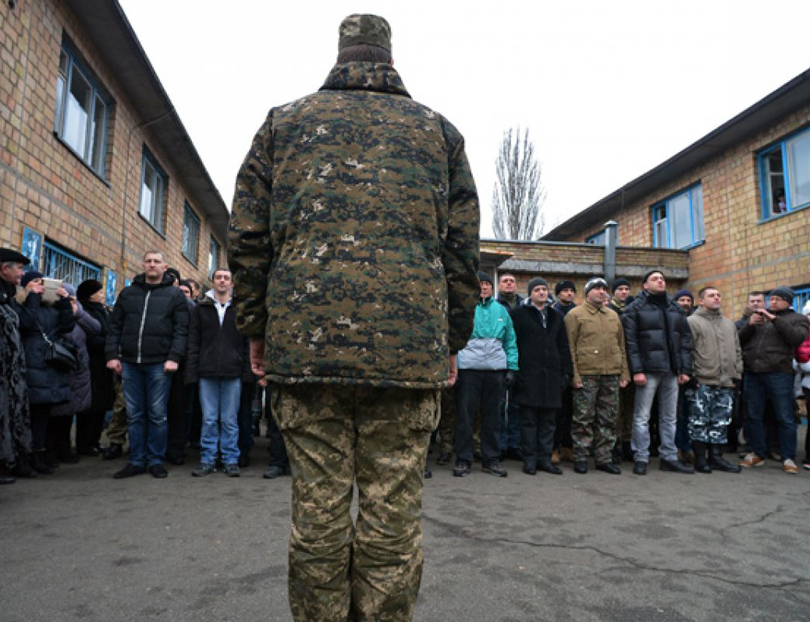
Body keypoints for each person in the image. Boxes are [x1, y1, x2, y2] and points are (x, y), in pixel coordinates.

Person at [227, 14, 479, 622]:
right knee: (392, 519)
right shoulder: (437, 132)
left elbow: (246, 237)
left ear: (339, 57)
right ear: (390, 60)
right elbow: (462, 251)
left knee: (317, 517)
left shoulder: (283, 124)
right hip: (407, 353)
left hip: (305, 351)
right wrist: (451, 338)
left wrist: (257, 328)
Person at [105, 251, 189, 479]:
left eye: (157, 262)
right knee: (134, 414)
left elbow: (181, 330)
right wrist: (112, 355)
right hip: (130, 363)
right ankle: (136, 460)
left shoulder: (175, 295)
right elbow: (115, 326)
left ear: (165, 267)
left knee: (158, 414)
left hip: (160, 364)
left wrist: (174, 357)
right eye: (149, 261)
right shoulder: (128, 293)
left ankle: (155, 460)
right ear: (143, 265)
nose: (152, 265)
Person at [622, 270, 693, 475]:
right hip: (648, 370)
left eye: (662, 278)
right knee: (642, 417)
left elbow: (685, 341)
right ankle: (641, 457)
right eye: (655, 279)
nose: (661, 281)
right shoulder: (635, 308)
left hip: (672, 371)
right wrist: (637, 370)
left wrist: (684, 369)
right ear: (645, 285)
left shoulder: (675, 308)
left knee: (670, 417)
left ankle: (669, 457)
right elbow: (631, 342)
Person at [185, 268, 251, 477]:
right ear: (212, 281)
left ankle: (231, 459)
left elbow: (248, 342)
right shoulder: (200, 309)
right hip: (207, 371)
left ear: (232, 283)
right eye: (218, 277)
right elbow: (193, 342)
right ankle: (208, 459)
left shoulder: (240, 309)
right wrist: (192, 371)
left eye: (226, 278)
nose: (222, 281)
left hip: (233, 372)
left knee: (230, 419)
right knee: (209, 419)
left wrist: (248, 371)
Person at [738, 287, 809, 473]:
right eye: (772, 299)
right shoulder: (757, 317)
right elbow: (739, 341)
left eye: (778, 299)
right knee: (753, 415)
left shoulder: (798, 319)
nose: (773, 302)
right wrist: (749, 325)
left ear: (788, 301)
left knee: (784, 416)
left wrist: (775, 320)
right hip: (753, 372)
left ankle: (788, 457)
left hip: (780, 373)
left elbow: (796, 338)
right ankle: (757, 452)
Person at [454, 272, 518, 478]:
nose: (484, 287)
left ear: (492, 288)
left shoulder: (501, 310)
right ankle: (463, 460)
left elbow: (510, 340)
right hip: (469, 370)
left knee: (493, 418)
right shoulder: (466, 308)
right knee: (465, 417)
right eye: (480, 284)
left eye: (487, 284)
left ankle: (491, 459)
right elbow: (454, 338)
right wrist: (453, 368)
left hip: (494, 371)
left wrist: (511, 368)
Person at [565, 278, 629, 475]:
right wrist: (575, 375)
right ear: (587, 293)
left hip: (611, 373)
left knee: (608, 418)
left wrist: (624, 371)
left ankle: (604, 458)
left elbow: (621, 346)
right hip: (587, 373)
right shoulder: (575, 315)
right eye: (597, 289)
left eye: (604, 289)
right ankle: (581, 456)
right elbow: (570, 346)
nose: (602, 292)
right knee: (583, 418)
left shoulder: (613, 315)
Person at [510, 277, 571, 475]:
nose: (542, 293)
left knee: (548, 422)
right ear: (530, 293)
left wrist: (566, 372)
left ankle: (545, 459)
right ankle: (529, 459)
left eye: (544, 289)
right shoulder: (518, 314)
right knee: (528, 422)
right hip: (528, 376)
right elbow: (513, 343)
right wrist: (514, 370)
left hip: (551, 377)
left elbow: (563, 346)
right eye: (537, 289)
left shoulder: (556, 316)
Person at [17, 271, 74, 474]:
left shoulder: (51, 308)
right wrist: (32, 296)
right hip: (31, 364)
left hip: (49, 366)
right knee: (28, 415)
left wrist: (64, 302)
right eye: (35, 282)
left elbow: (67, 326)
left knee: (42, 415)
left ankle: (38, 454)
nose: (40, 286)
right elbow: (26, 323)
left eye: (43, 283)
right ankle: (23, 457)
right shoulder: (22, 305)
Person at [685, 287, 742, 473]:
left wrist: (737, 374)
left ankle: (717, 457)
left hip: (726, 381)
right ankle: (700, 459)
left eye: (718, 295)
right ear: (700, 301)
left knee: (721, 421)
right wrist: (691, 375)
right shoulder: (692, 322)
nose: (717, 298)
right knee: (699, 421)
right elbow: (687, 350)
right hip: (702, 380)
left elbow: (737, 351)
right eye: (711, 295)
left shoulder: (729, 324)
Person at [49, 284, 98, 463]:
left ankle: (64, 449)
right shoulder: (51, 311)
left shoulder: (79, 313)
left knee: (69, 412)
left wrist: (77, 311)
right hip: (59, 367)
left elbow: (96, 328)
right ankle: (51, 450)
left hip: (78, 369)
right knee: (55, 414)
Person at [0, 249, 36, 483]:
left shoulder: (10, 296)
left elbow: (27, 324)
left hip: (12, 371)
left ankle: (12, 460)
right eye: (19, 268)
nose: (22, 274)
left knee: (13, 415)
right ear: (5, 269)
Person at [76, 279, 116, 456]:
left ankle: (95, 441)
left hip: (104, 365)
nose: (102, 294)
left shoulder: (103, 311)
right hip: (91, 364)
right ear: (89, 294)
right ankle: (84, 443)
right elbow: (90, 338)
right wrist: (108, 344)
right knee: (90, 407)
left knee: (101, 406)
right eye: (98, 291)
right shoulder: (83, 312)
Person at [496, 272, 523, 460]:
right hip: (498, 360)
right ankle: (501, 444)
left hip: (521, 361)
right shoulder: (494, 306)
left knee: (516, 405)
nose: (508, 284)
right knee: (500, 406)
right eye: (505, 281)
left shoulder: (524, 305)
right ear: (499, 286)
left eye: (512, 281)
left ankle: (515, 444)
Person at [608, 277, 635, 462]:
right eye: (620, 289)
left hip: (633, 365)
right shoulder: (609, 311)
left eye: (627, 289)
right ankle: (614, 445)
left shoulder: (634, 310)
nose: (624, 292)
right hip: (613, 365)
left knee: (631, 409)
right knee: (614, 409)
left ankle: (628, 443)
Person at [552, 280, 577, 464]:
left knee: (572, 411)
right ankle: (554, 448)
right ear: (558, 294)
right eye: (565, 291)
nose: (569, 294)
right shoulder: (553, 313)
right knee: (556, 412)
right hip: (556, 366)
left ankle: (568, 447)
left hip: (575, 366)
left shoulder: (578, 312)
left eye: (571, 291)